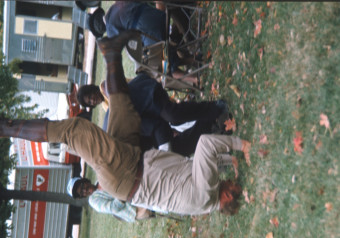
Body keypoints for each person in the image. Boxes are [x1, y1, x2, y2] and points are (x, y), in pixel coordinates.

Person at [0, 30, 251, 216]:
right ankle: (111, 53)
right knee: (123, 108)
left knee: (76, 130)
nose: (226, 179)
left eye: (228, 183)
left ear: (226, 194)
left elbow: (206, 146)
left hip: (126, 174)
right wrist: (231, 160)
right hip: (134, 164)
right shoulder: (205, 198)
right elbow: (206, 163)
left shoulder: (206, 192)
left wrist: (241, 146)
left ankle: (8, 128)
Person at [77, 72, 233, 155]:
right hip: (146, 116)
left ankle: (215, 108)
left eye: (91, 97)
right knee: (177, 149)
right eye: (90, 102)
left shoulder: (118, 124)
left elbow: (155, 126)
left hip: (148, 94)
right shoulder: (115, 145)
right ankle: (208, 127)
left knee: (173, 116)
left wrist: (164, 147)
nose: (93, 100)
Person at [88, 2, 199, 85]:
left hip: (150, 32)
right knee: (163, 53)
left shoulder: (111, 28)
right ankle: (196, 58)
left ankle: (195, 79)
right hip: (159, 17)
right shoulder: (116, 5)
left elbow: (125, 48)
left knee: (161, 67)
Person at [67, 177, 154, 222]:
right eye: (81, 193)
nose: (84, 190)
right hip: (135, 209)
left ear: (84, 181)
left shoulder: (100, 179)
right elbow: (113, 208)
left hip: (137, 193)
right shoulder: (93, 201)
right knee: (160, 208)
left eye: (82, 186)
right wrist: (122, 193)